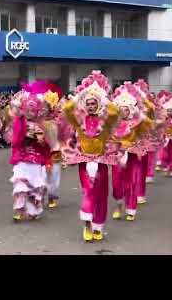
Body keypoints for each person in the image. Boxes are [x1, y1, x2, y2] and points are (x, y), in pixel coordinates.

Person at [62, 70, 120, 242]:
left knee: (101, 194)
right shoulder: (78, 121)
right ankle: (87, 224)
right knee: (88, 191)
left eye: (94, 103)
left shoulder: (106, 122)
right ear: (84, 105)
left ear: (98, 104)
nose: (91, 106)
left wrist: (103, 96)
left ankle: (98, 225)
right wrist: (81, 94)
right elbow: (66, 109)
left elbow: (115, 112)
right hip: (84, 160)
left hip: (102, 160)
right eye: (88, 103)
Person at [110, 82, 153, 221]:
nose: (123, 112)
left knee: (131, 183)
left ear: (130, 110)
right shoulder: (113, 124)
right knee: (116, 184)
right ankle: (118, 205)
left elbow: (144, 137)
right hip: (117, 157)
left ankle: (131, 209)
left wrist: (134, 147)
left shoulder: (137, 123)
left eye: (126, 109)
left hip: (133, 157)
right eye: (120, 109)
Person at [9, 89, 51, 221]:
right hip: (22, 158)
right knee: (20, 186)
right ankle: (19, 209)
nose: (30, 112)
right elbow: (15, 141)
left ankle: (33, 210)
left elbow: (47, 145)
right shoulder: (19, 121)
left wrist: (41, 140)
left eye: (33, 110)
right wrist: (23, 130)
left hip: (36, 159)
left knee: (35, 187)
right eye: (27, 109)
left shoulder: (41, 124)